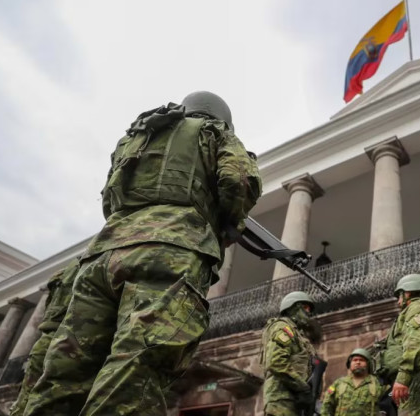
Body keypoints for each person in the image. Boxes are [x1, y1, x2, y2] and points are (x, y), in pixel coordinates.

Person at [24, 91, 262, 416]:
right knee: (136, 371)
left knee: (64, 375)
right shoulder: (214, 132)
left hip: (104, 256)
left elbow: (110, 198)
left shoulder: (140, 134)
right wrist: (226, 223)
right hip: (170, 252)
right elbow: (238, 182)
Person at [9, 259, 79, 416]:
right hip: (70, 339)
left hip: (48, 339)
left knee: (28, 398)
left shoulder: (63, 271)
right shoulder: (96, 265)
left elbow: (49, 308)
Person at [375, 274, 420, 416]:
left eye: (400, 296)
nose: (398, 302)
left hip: (417, 381)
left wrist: (403, 377)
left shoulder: (417, 306)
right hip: (418, 381)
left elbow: (418, 341)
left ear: (408, 292)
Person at [262, 291, 323, 416]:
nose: (309, 313)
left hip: (295, 401)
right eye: (305, 308)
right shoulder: (283, 328)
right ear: (293, 308)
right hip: (282, 401)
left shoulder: (300, 336)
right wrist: (303, 388)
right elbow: (276, 362)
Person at [320, 348, 387, 416]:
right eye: (355, 360)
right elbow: (326, 405)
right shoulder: (338, 384)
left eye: (361, 360)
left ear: (368, 364)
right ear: (350, 364)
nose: (358, 362)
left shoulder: (378, 383)